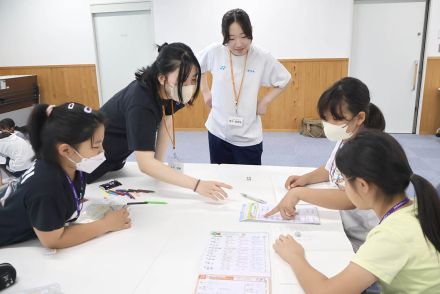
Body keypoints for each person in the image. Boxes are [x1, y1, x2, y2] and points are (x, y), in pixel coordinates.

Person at [273, 129, 440, 293]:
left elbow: (324, 291)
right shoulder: (416, 206)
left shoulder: (391, 236)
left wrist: (295, 256)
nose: (343, 187)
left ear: (362, 185)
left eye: (344, 181)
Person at [87, 42, 232, 200]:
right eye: (183, 79)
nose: (190, 85)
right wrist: (197, 185)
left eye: (194, 79)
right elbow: (145, 164)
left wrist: (159, 167)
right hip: (90, 162)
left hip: (114, 161)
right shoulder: (141, 103)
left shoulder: (171, 91)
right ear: (162, 78)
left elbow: (166, 122)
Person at [266, 77, 386, 251]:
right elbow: (330, 168)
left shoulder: (368, 152)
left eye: (336, 120)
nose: (329, 126)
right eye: (325, 119)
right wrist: (306, 179)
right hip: (342, 221)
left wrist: (300, 193)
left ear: (359, 117)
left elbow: (351, 200)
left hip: (364, 237)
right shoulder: (346, 136)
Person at [0, 103, 131, 248]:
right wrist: (106, 224)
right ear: (66, 150)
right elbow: (53, 240)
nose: (102, 151)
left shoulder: (73, 163)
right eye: (96, 146)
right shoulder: (46, 185)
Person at [198, 8, 291, 165]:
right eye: (232, 38)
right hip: (217, 132)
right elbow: (195, 67)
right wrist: (205, 92)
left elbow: (285, 79)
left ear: (251, 31)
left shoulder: (261, 57)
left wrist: (265, 101)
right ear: (224, 36)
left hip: (248, 138)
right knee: (221, 181)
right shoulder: (215, 52)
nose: (238, 44)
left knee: (249, 184)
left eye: (243, 36)